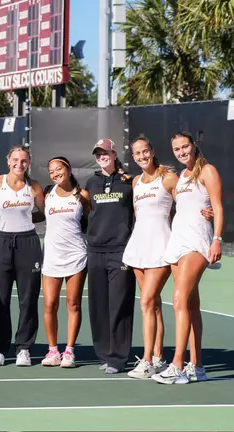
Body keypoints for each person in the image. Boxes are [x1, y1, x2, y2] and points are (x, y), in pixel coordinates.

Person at [153, 132, 222, 384]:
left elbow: (218, 205)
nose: (181, 152)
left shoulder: (208, 171)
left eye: (185, 146)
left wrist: (217, 238)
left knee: (179, 300)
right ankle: (198, 366)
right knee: (191, 305)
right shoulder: (181, 176)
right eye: (177, 149)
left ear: (194, 146)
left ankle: (177, 366)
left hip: (197, 242)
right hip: (177, 243)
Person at [122, 137, 175, 378]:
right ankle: (158, 357)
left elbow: (185, 202)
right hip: (139, 247)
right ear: (133, 157)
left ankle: (146, 362)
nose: (142, 156)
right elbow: (138, 213)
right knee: (153, 305)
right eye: (137, 153)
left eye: (145, 151)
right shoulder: (135, 182)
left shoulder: (168, 177)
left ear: (152, 151)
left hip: (161, 247)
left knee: (146, 302)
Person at [0, 145, 45, 367]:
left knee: (28, 299)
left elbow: (43, 213)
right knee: (0, 299)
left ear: (28, 163)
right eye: (15, 160)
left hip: (28, 243)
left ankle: (24, 348)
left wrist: (25, 222)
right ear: (8, 160)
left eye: (23, 161)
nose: (19, 164)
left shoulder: (34, 186)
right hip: (2, 242)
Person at [85, 139, 136, 374]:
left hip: (121, 251)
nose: (102, 157)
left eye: (105, 153)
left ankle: (118, 357)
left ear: (115, 154)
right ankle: (104, 354)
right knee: (99, 306)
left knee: (119, 304)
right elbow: (86, 213)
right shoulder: (91, 183)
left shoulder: (129, 182)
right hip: (95, 250)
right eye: (98, 154)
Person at [40, 156, 90, 368]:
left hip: (76, 255)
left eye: (58, 169)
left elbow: (91, 221)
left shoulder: (82, 195)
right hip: (51, 256)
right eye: (51, 171)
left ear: (68, 170)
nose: (55, 173)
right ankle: (53, 351)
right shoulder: (47, 194)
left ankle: (69, 351)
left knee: (73, 303)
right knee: (50, 304)